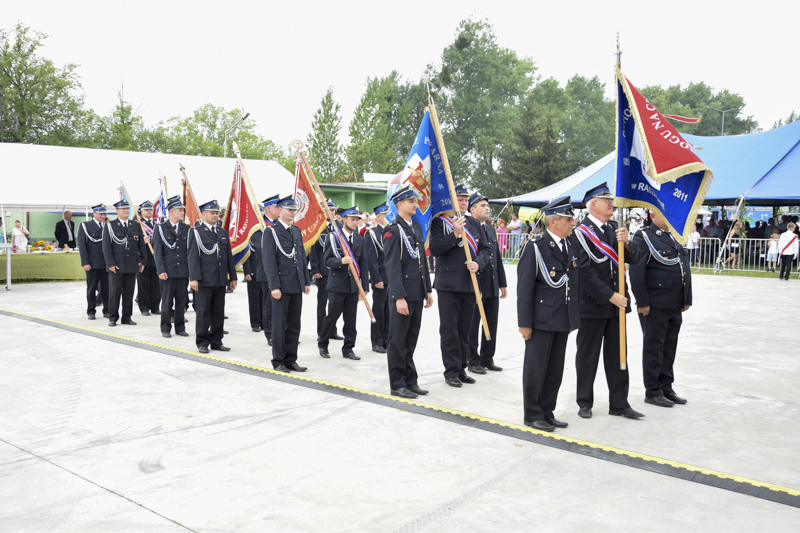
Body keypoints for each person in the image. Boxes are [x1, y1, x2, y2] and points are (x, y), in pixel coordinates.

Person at [573, 183, 644, 420]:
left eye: (611, 200)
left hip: (617, 306)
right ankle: (584, 401)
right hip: (593, 305)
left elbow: (632, 259)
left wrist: (627, 241)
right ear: (593, 204)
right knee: (587, 356)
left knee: (618, 355)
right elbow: (584, 271)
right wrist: (609, 295)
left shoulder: (615, 227)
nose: (611, 204)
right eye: (606, 200)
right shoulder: (580, 232)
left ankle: (619, 403)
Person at [517, 196, 580, 432]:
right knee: (536, 368)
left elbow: (574, 283)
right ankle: (532, 414)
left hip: (562, 318)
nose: (572, 223)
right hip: (540, 320)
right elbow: (524, 289)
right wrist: (525, 323)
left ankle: (546, 411)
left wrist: (572, 317)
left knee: (554, 369)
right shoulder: (535, 247)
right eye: (568, 219)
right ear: (553, 222)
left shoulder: (570, 245)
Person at [630, 210, 692, 408]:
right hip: (655, 303)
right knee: (654, 347)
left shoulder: (676, 236)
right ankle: (653, 391)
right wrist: (642, 302)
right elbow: (636, 272)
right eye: (663, 214)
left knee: (669, 347)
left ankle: (666, 387)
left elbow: (684, 268)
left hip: (674, 302)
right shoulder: (644, 236)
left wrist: (687, 297)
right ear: (653, 215)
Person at [430, 184, 490, 387]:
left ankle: (462, 368)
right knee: (450, 330)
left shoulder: (473, 223)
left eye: (465, 200)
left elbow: (485, 249)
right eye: (459, 199)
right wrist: (454, 233)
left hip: (470, 283)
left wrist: (479, 263)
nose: (463, 203)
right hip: (448, 284)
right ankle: (451, 371)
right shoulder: (440, 222)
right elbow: (435, 249)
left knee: (465, 329)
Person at [383, 186, 433, 398]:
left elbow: (423, 261)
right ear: (399, 204)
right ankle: (397, 384)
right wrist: (398, 297)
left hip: (417, 293)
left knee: (410, 340)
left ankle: (410, 381)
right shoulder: (393, 230)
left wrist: (428, 290)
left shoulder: (416, 228)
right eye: (410, 201)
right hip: (402, 295)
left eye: (416, 200)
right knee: (397, 341)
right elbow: (392, 266)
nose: (415, 204)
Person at [262, 196, 311, 372]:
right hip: (281, 286)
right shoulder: (271, 232)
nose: (292, 212)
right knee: (279, 324)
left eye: (294, 210)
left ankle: (291, 359)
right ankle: (278, 360)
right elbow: (269, 262)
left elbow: (302, 259)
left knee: (294, 324)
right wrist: (274, 286)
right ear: (279, 210)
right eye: (289, 209)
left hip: (296, 285)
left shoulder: (296, 231)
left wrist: (306, 281)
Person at [318, 206, 370, 360]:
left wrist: (365, 286)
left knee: (350, 319)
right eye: (352, 219)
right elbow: (326, 261)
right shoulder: (333, 237)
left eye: (357, 220)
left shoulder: (360, 239)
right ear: (344, 219)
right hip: (337, 285)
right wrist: (340, 261)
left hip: (353, 286)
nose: (355, 222)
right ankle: (323, 344)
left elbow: (364, 263)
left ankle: (348, 348)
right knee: (332, 316)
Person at [187, 200, 237, 354]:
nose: (216, 216)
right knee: (203, 312)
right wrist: (194, 278)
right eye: (212, 213)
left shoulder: (222, 232)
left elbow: (228, 256)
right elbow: (192, 256)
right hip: (204, 279)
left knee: (218, 312)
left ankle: (217, 340)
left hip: (220, 278)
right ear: (203, 214)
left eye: (217, 213)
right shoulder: (196, 232)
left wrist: (233, 277)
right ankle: (202, 342)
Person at [467, 194, 507, 374]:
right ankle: (472, 359)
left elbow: (496, 257)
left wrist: (502, 282)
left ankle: (487, 357)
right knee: (473, 323)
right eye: (482, 205)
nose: (487, 208)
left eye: (487, 205)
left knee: (491, 322)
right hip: (477, 284)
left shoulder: (490, 229)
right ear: (472, 209)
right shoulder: (467, 228)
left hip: (491, 283)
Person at [102, 199, 147, 327]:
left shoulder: (135, 225)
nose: (126, 211)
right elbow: (106, 247)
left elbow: (141, 246)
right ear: (117, 211)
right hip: (116, 265)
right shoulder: (110, 225)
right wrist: (110, 264)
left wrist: (142, 261)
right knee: (114, 293)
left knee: (129, 293)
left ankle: (127, 317)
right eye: (123, 209)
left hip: (131, 265)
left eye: (127, 208)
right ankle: (113, 317)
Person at [153, 196, 191, 338]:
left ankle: (180, 327)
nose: (183, 213)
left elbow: (189, 252)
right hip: (167, 272)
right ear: (172, 211)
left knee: (181, 302)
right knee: (167, 302)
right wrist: (161, 270)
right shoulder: (161, 229)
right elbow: (158, 252)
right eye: (180, 210)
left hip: (182, 272)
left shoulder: (187, 229)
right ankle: (165, 328)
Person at [309, 200, 343, 343]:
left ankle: (332, 330)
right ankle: (321, 331)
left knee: (335, 304)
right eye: (328, 210)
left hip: (337, 271)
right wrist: (315, 269)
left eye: (333, 210)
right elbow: (313, 250)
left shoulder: (339, 227)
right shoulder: (318, 227)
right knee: (323, 303)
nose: (331, 212)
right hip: (322, 272)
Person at [243, 200, 272, 333]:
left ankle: (263, 322)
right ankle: (255, 322)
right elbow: (246, 252)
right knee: (254, 298)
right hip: (254, 269)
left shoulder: (267, 227)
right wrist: (247, 271)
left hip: (266, 270)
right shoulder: (252, 231)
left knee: (265, 299)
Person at [77, 204, 110, 320]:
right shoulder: (85, 226)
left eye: (104, 214)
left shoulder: (107, 225)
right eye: (101, 214)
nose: (103, 216)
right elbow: (82, 245)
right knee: (91, 288)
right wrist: (85, 262)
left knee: (107, 288)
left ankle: (107, 310)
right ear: (94, 214)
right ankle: (91, 311)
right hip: (92, 262)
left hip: (106, 263)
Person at [366, 202, 389, 353]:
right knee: (379, 310)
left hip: (393, 279)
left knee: (390, 311)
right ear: (379, 217)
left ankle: (387, 339)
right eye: (386, 214)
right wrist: (376, 279)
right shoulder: (372, 233)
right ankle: (377, 341)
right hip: (381, 278)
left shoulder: (392, 231)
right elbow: (371, 259)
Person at [136, 201, 161, 316]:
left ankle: (155, 307)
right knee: (143, 285)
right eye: (146, 210)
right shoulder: (138, 224)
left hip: (156, 260)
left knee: (156, 285)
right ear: (141, 211)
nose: (149, 211)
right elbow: (134, 243)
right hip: (144, 259)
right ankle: (144, 307)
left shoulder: (158, 223)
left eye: (151, 209)